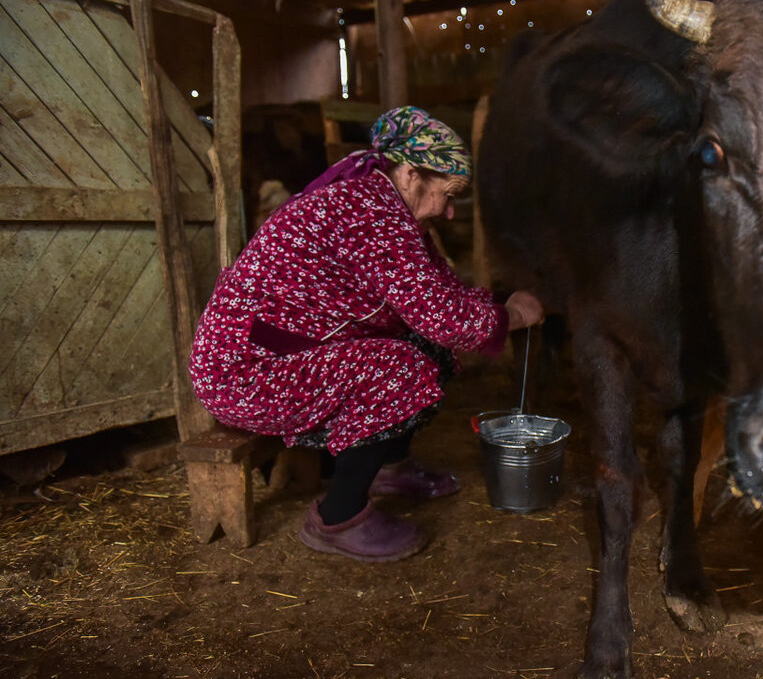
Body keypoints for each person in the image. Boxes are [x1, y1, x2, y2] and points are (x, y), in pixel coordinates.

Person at [189, 106, 543, 562]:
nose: (449, 212)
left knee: (424, 348)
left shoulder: (383, 204)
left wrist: (499, 299)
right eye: (447, 194)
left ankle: (389, 468)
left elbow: (440, 291)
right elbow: (447, 319)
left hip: (285, 356)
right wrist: (510, 316)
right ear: (412, 174)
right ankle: (337, 517)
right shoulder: (371, 213)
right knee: (402, 367)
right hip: (244, 374)